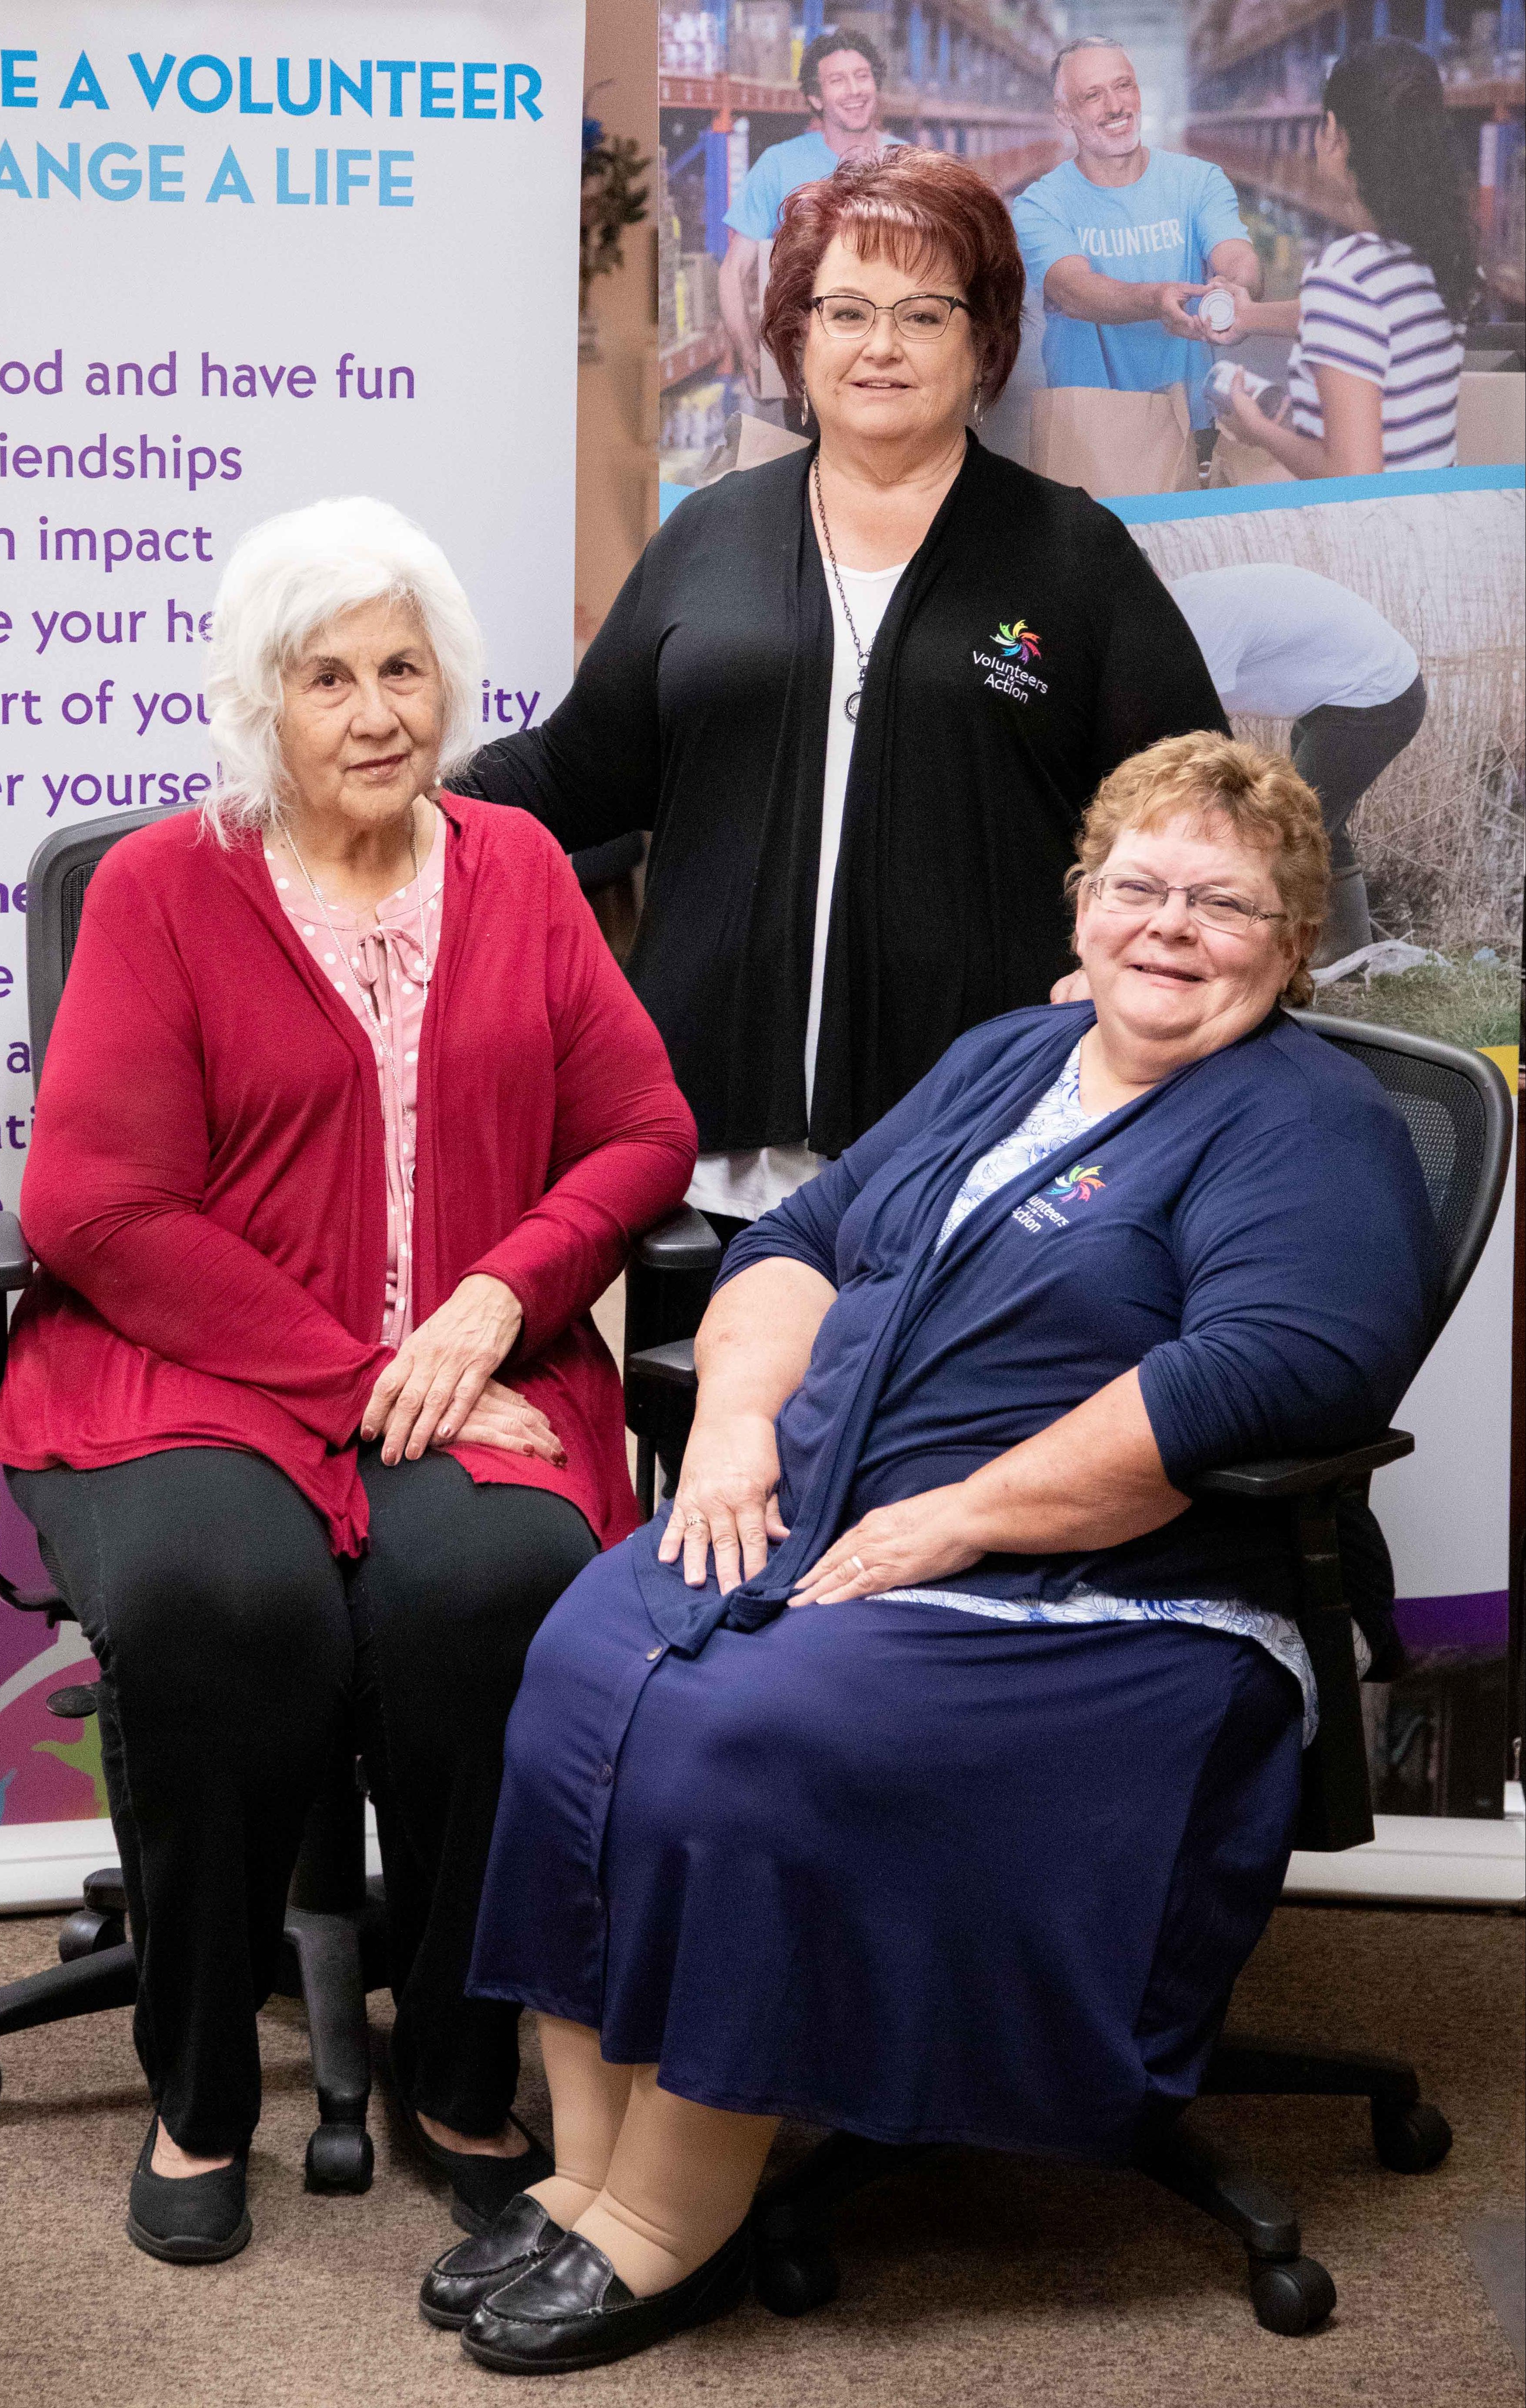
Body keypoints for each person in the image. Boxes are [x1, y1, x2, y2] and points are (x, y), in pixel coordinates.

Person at [427, 732, 1436, 2373]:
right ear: (1082, 904)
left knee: (742, 1745)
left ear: (1291, 938)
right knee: (580, 1665)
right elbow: (794, 1243)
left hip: (1104, 1595)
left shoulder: (1303, 1124)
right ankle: (585, 2173)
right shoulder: (1002, 1060)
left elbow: (1267, 1365)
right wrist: (745, 1426)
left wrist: (954, 1518)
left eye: (1224, 903)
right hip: (825, 1511)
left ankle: (676, 2224)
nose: (1171, 927)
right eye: (1138, 887)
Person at [0, 499, 695, 2264]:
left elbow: (643, 1129)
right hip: (192, 1370)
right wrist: (371, 1365)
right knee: (218, 1600)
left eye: (407, 668)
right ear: (262, 703)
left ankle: (458, 2066)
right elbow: (90, 1203)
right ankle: (197, 2088)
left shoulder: (521, 869)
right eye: (331, 676)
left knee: (503, 1589)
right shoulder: (163, 887)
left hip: (471, 1365)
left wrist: (497, 1300)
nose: (379, 711)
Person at [460, 150, 1226, 1245]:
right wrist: (383, 805)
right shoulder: (708, 536)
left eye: (923, 314)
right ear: (798, 334)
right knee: (712, 1409)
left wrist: (1120, 973)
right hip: (707, 1148)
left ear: (982, 344)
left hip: (978, 1152)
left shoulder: (1071, 556)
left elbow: (1200, 813)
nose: (879, 347)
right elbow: (575, 774)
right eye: (846, 310)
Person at [1214, 41, 1476, 477]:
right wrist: (1249, 316)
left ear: (1332, 133)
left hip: (1373, 538)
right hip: (1436, 521)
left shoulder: (1342, 275)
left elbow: (1352, 478)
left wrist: (1258, 428)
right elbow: (1357, 320)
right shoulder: (1442, 255)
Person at [1168, 564, 1426, 963]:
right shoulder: (1176, 609)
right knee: (1315, 819)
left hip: (1373, 698)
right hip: (1333, 699)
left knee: (1290, 828)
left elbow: (1201, 738)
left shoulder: (1198, 619)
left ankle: (1281, 954)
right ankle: (1348, 952)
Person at [1012, 37, 1262, 432]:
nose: (1116, 106)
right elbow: (1073, 290)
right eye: (1093, 95)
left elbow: (1236, 255)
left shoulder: (1198, 181)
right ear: (1064, 114)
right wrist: (1156, 301)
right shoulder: (1041, 205)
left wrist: (1236, 289)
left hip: (1190, 423)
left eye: (1124, 85)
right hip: (1090, 434)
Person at [719, 29, 902, 406]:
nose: (854, 90)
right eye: (837, 80)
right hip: (806, 368)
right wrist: (749, 354)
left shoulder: (910, 164)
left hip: (894, 360)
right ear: (816, 98)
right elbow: (733, 271)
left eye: (862, 76)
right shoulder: (779, 164)